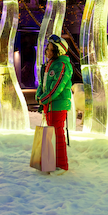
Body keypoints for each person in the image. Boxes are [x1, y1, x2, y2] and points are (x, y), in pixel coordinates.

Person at [36, 34, 73, 172]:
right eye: (48, 49)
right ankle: (50, 161)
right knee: (52, 134)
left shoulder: (62, 65)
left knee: (58, 134)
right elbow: (44, 84)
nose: (48, 52)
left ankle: (62, 165)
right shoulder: (50, 64)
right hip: (50, 105)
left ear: (59, 52)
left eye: (52, 50)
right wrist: (39, 94)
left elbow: (57, 87)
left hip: (57, 105)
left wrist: (44, 99)